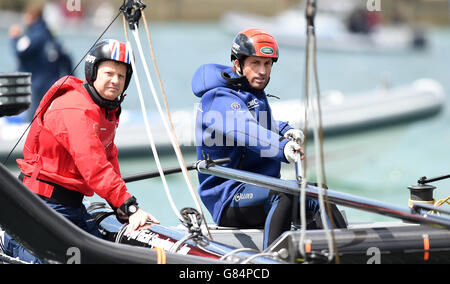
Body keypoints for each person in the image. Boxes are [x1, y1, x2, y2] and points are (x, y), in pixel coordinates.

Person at [1, 39, 159, 264]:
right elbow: (92, 163)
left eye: (121, 76)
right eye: (109, 73)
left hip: (71, 206)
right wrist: (130, 207)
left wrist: (119, 206)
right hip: (41, 205)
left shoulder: (106, 109)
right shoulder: (75, 107)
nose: (115, 81)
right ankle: (11, 241)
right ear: (93, 72)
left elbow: (108, 155)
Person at [192, 28, 323, 250]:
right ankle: (272, 259)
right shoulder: (217, 98)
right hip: (229, 196)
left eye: (267, 64)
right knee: (285, 195)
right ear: (238, 64)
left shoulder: (252, 93)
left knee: (318, 194)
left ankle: (336, 253)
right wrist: (282, 147)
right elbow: (247, 129)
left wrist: (285, 130)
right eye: (255, 63)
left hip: (260, 189)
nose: (262, 71)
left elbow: (262, 123)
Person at [9, 2, 73, 122]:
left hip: (35, 85)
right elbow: (67, 59)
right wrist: (70, 81)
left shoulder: (33, 37)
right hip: (53, 85)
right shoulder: (52, 37)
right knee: (48, 119)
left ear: (31, 17)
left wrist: (14, 38)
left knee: (30, 122)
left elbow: (19, 52)